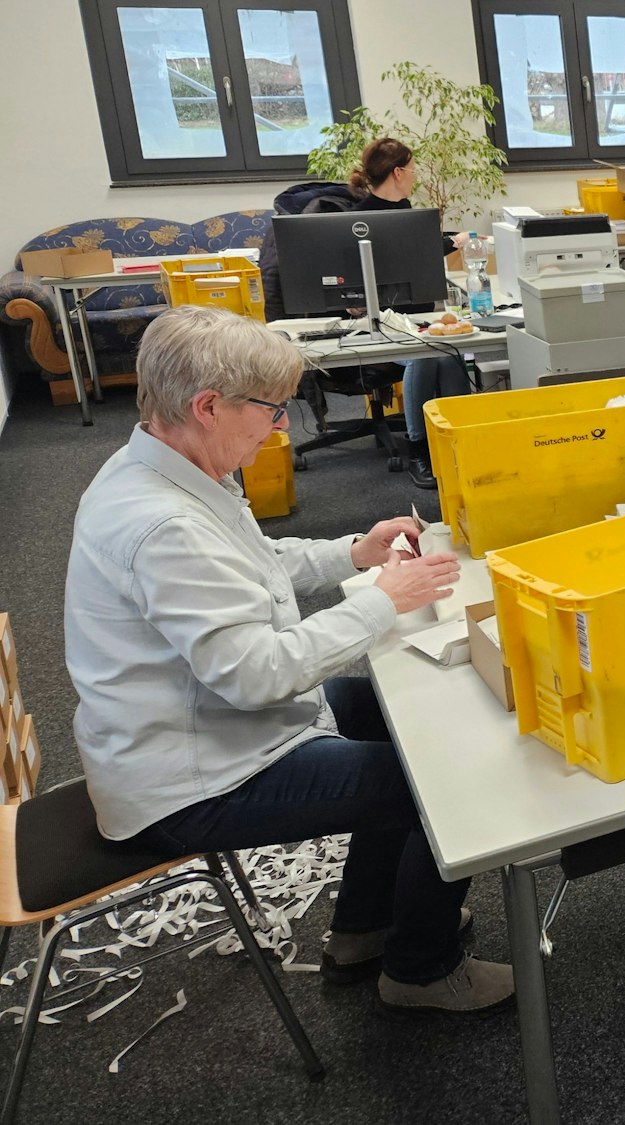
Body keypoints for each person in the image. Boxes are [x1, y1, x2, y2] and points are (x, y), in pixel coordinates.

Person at [64, 305, 514, 1014]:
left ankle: (366, 928)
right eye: (272, 410)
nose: (280, 426)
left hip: (207, 727)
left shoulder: (170, 466)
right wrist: (381, 601)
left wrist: (352, 554)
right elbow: (256, 674)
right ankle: (421, 968)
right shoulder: (162, 524)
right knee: (449, 779)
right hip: (196, 779)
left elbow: (253, 562)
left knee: (396, 719)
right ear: (208, 406)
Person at [335, 138, 472, 490]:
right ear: (398, 172)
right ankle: (419, 451)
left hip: (418, 323)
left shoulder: (409, 214)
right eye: (412, 169)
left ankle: (458, 444)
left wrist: (452, 241)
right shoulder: (357, 221)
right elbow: (343, 288)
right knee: (423, 358)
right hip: (378, 326)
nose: (415, 176)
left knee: (450, 355)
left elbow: (417, 254)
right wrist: (353, 300)